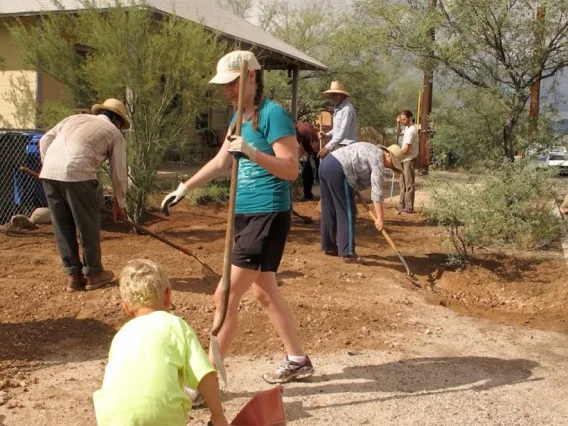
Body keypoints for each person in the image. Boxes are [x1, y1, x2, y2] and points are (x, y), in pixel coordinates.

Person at [161, 50, 314, 387]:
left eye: (232, 83)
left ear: (251, 78)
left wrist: (252, 152)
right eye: (223, 85)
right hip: (244, 214)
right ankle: (297, 359)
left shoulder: (273, 115)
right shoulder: (239, 119)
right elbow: (221, 163)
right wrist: (184, 187)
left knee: (224, 296)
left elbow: (290, 170)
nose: (226, 90)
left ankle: (204, 382)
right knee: (264, 292)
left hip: (267, 212)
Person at [93, 259, 228, 426]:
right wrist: (218, 417)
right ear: (168, 295)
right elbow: (205, 376)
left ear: (126, 308)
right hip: (161, 418)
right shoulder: (176, 325)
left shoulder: (120, 335)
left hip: (111, 418)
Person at [39, 98, 129, 292]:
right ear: (119, 122)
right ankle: (94, 274)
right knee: (86, 224)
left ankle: (74, 275)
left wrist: (51, 165)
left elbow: (44, 139)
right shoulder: (114, 133)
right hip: (78, 175)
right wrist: (119, 204)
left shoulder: (73, 119)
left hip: (49, 174)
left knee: (61, 225)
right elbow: (119, 173)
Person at [319, 142, 403, 263]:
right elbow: (377, 192)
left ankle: (330, 247)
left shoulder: (371, 149)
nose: (390, 167)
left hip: (326, 164)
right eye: (392, 164)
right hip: (339, 169)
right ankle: (348, 253)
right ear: (388, 155)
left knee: (329, 208)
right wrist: (379, 217)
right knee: (347, 213)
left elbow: (357, 174)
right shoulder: (378, 158)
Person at [318, 81, 357, 158]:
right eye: (332, 94)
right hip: (338, 147)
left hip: (346, 147)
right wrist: (326, 134)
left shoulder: (347, 109)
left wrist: (327, 147)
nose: (333, 97)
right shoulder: (337, 108)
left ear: (342, 95)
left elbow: (342, 133)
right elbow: (337, 130)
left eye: (336, 94)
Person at [398, 110, 419, 213]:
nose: (402, 121)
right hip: (403, 158)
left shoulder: (411, 130)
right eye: (401, 119)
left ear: (410, 118)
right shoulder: (406, 128)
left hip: (409, 159)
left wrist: (396, 155)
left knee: (409, 183)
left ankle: (409, 206)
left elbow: (406, 148)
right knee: (402, 182)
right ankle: (401, 204)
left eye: (404, 119)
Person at [296, 121, 320, 201]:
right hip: (316, 150)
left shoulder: (299, 131)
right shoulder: (305, 124)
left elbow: (297, 147)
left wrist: (295, 161)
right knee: (315, 173)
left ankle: (308, 195)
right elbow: (314, 128)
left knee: (307, 174)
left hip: (315, 152)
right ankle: (309, 194)